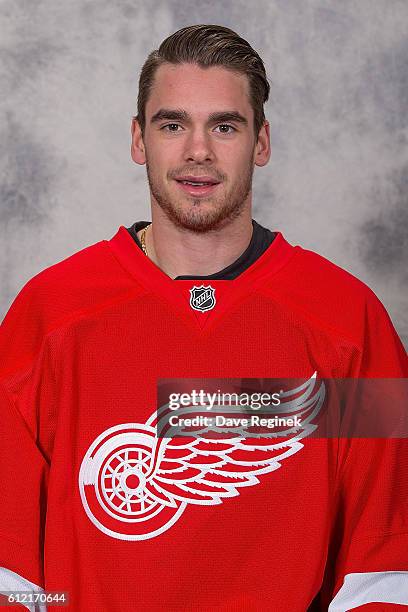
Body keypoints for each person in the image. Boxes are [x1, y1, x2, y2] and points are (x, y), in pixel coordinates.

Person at [0, 24, 407, 612]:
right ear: (139, 139)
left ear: (261, 142)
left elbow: (386, 566)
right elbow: (10, 572)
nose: (198, 151)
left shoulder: (349, 324)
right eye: (172, 124)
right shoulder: (50, 316)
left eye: (224, 125)